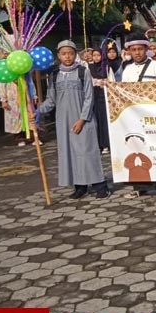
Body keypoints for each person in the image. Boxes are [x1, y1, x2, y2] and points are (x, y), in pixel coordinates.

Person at [37, 40, 110, 199]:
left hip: (84, 120)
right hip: (64, 122)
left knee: (87, 151)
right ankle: (80, 186)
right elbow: (51, 100)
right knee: (70, 153)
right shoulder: (55, 75)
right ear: (58, 56)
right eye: (64, 54)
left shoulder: (83, 72)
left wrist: (82, 119)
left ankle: (100, 185)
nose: (67, 56)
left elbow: (89, 98)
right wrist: (37, 112)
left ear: (75, 54)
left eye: (70, 53)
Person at [120, 34, 156, 199]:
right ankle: (139, 187)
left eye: (140, 49)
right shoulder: (127, 70)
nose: (137, 53)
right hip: (135, 116)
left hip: (154, 115)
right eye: (133, 50)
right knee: (137, 149)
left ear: (146, 50)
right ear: (129, 51)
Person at [0, 78, 39, 146]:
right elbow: (2, 85)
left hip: (25, 96)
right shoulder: (6, 73)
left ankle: (34, 137)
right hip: (12, 98)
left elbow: (30, 82)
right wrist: (3, 100)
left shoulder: (24, 72)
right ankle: (19, 138)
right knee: (16, 118)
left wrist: (34, 95)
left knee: (29, 116)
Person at [88, 48, 110, 153]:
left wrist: (104, 82)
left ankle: (105, 144)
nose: (96, 57)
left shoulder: (106, 66)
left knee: (103, 120)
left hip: (103, 95)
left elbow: (111, 80)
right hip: (93, 96)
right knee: (95, 120)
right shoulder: (89, 67)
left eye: (98, 55)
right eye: (94, 55)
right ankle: (97, 144)